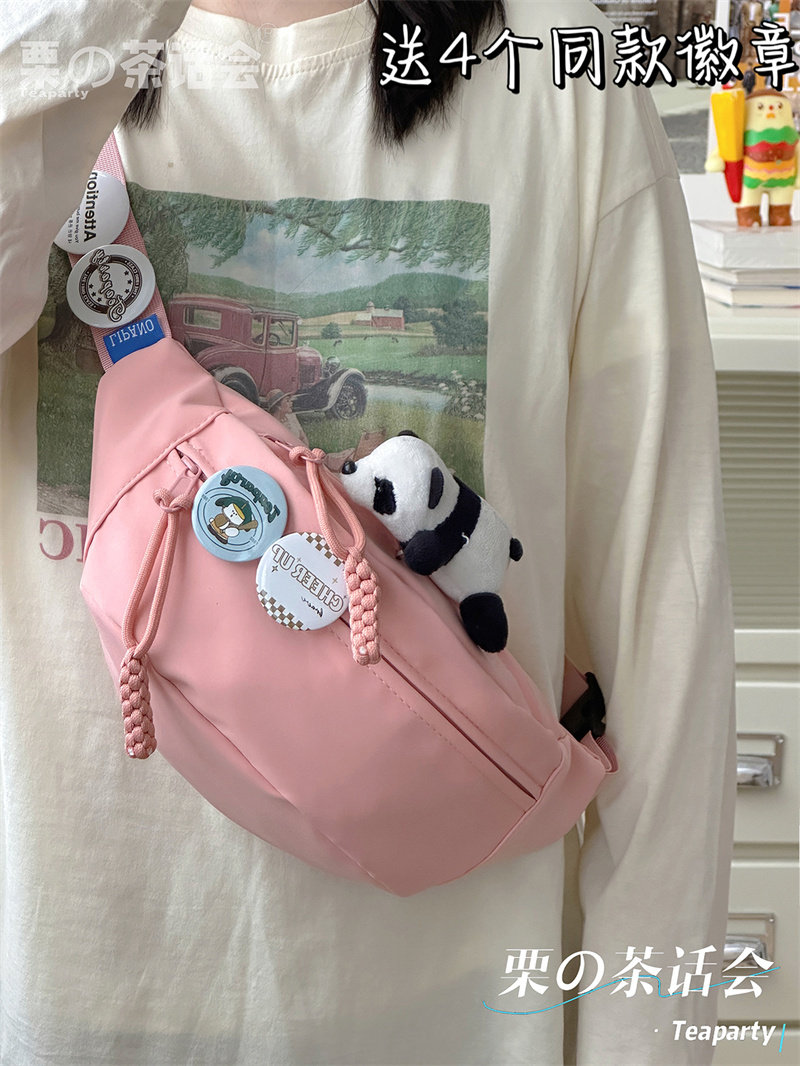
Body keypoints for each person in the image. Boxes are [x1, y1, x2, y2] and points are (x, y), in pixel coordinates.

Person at [0, 2, 736, 1064]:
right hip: (69, 984)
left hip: (455, 1016)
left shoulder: (561, 75)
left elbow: (665, 633)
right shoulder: (41, 48)